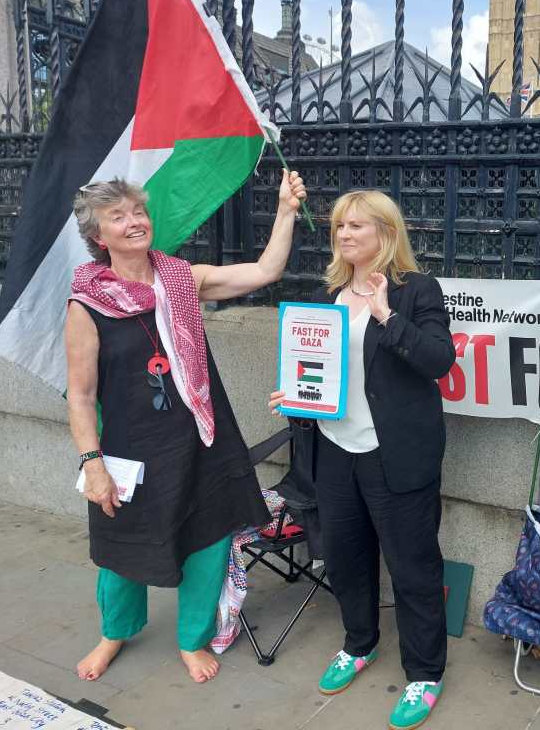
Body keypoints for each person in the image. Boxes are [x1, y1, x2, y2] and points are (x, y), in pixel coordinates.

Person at [67, 170, 307, 684]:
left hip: (202, 437)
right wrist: (92, 465)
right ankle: (114, 632)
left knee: (208, 537)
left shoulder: (182, 278)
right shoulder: (86, 305)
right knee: (121, 541)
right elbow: (82, 397)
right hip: (130, 445)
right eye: (118, 216)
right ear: (97, 236)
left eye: (138, 212)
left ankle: (192, 638)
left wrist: (285, 210)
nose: (135, 222)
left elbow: (265, 270)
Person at [269, 190, 455, 730]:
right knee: (345, 558)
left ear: (385, 231)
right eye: (339, 227)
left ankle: (424, 673)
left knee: (412, 566)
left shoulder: (417, 290)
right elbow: (323, 375)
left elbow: (438, 360)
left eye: (356, 226)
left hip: (394, 454)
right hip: (336, 451)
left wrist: (387, 316)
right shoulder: (329, 295)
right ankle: (359, 643)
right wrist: (295, 397)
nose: (345, 235)